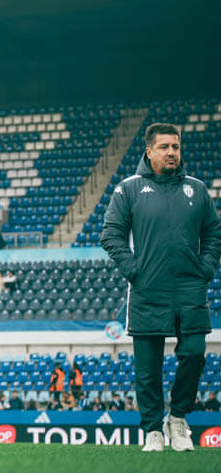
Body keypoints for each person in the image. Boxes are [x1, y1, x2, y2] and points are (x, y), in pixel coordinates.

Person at [101, 123, 221, 452]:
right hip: (147, 289)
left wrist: (206, 268)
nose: (172, 152)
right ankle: (153, 430)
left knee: (194, 353)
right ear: (149, 151)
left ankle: (177, 418)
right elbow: (110, 234)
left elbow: (214, 232)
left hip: (190, 288)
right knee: (148, 369)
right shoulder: (129, 188)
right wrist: (133, 270)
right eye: (165, 147)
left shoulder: (197, 189)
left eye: (176, 147)